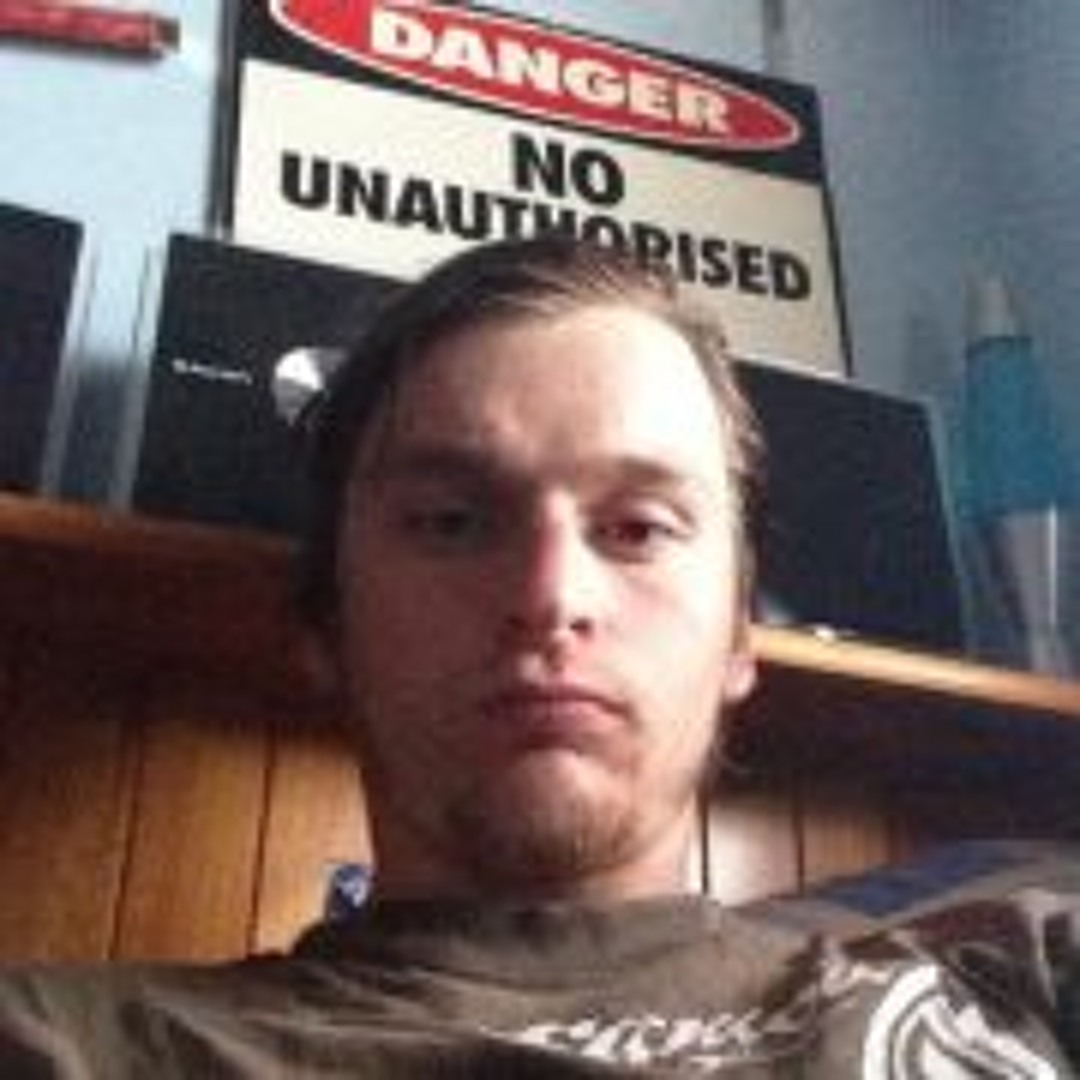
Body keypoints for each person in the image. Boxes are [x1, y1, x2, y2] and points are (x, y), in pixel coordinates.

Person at [0, 236, 1078, 1077]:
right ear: (327, 624)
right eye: (452, 522)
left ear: (739, 636)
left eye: (638, 528)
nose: (551, 598)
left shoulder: (1028, 981)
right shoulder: (66, 1048)